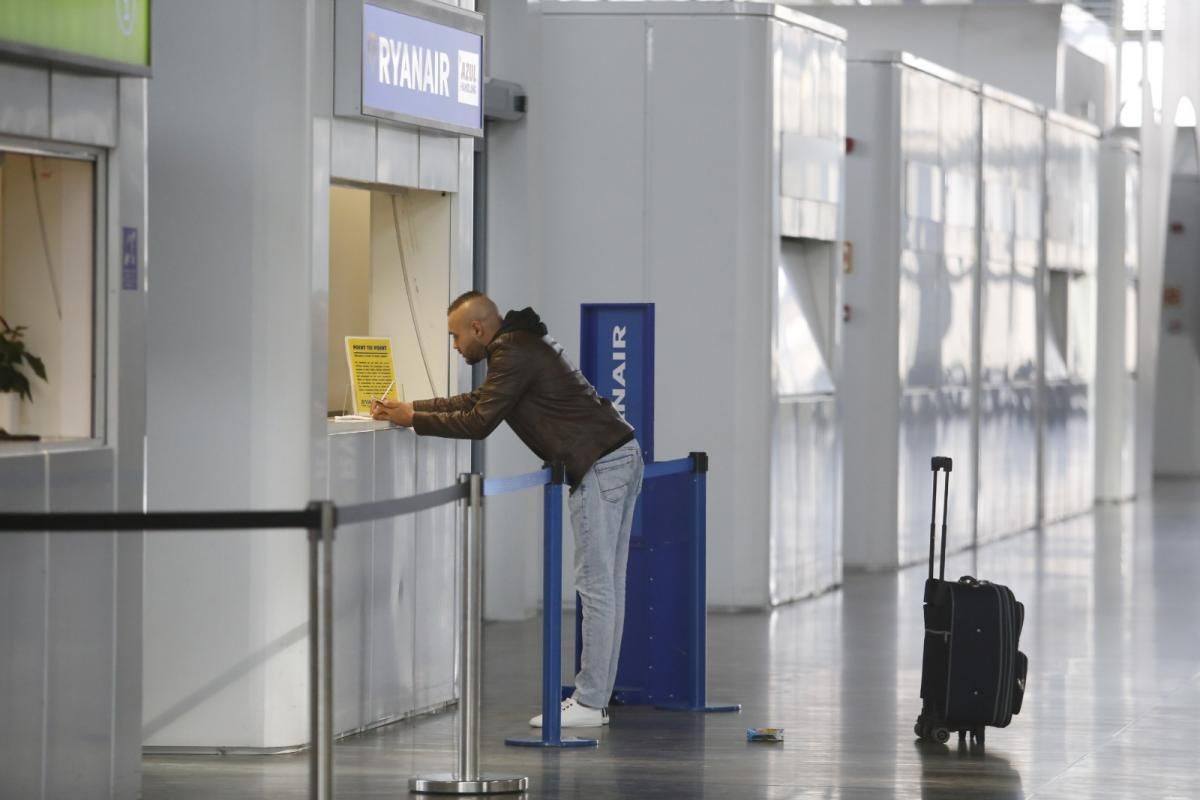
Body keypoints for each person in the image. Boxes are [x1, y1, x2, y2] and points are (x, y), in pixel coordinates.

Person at [371, 291, 644, 728]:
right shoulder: (520, 346)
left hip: (599, 465)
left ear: (478, 329)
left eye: (456, 337)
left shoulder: (513, 351)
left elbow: (479, 422)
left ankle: (591, 702)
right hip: (619, 455)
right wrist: (413, 409)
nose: (456, 347)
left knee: (596, 586)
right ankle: (596, 699)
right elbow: (478, 401)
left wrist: (412, 420)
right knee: (609, 584)